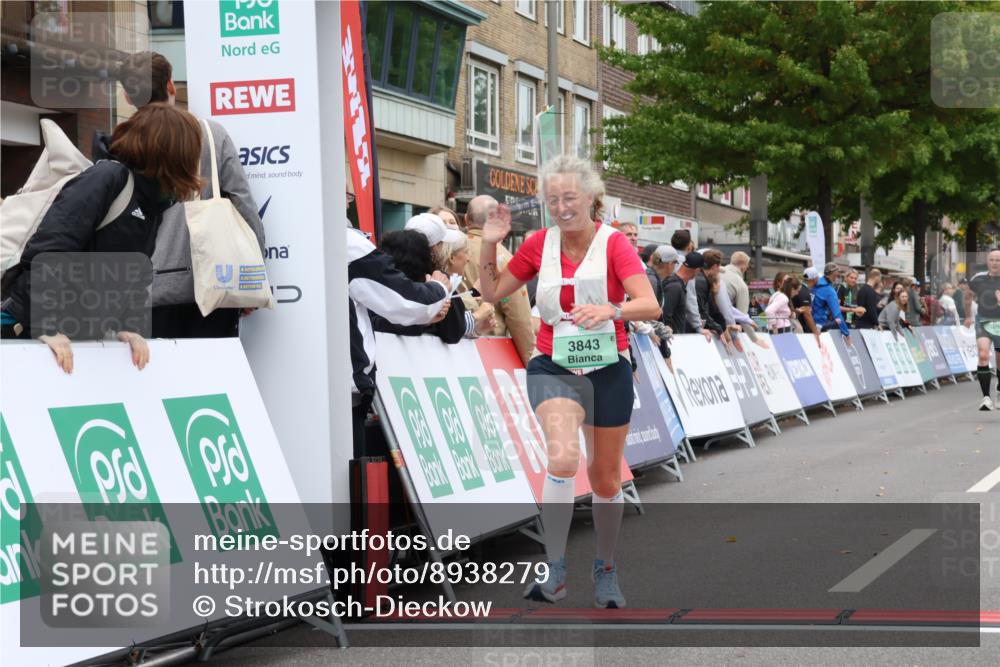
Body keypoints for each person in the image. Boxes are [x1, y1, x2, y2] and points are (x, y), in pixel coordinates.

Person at [478, 155, 660, 609]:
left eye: (569, 197)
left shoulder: (615, 244)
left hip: (607, 367)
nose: (561, 207)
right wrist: (488, 245)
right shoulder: (540, 243)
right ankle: (555, 568)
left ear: (590, 198)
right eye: (553, 199)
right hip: (552, 364)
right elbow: (492, 292)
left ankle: (605, 565)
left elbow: (650, 305)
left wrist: (611, 310)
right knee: (561, 458)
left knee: (603, 478)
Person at [1, 103, 204, 372]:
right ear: (173, 150)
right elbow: (51, 248)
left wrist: (127, 327)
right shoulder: (108, 177)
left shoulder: (154, 202)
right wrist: (46, 324)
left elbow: (134, 274)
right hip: (27, 328)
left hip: (77, 338)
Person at [111, 51, 265, 339]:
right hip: (214, 283)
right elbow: (243, 205)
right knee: (213, 381)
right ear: (171, 86)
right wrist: (251, 275)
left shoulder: (121, 143)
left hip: (144, 291)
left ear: (128, 97)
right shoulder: (209, 134)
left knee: (160, 383)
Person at [347, 227, 451, 457]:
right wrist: (438, 286)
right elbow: (405, 302)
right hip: (342, 393)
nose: (347, 203)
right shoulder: (345, 241)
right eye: (346, 196)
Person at [462, 196, 536, 366]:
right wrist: (532, 366)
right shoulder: (504, 259)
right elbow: (519, 319)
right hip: (490, 351)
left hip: (450, 347)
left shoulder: (450, 250)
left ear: (466, 219)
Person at [374, 226, 468, 343]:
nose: (438, 253)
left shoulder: (434, 279)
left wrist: (440, 296)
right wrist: (424, 317)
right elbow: (375, 322)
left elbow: (454, 333)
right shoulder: (377, 286)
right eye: (437, 246)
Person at [965, 249, 1000, 411]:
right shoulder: (978, 279)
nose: (994, 263)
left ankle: (999, 391)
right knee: (983, 355)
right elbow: (968, 295)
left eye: (998, 260)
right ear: (987, 261)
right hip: (983, 321)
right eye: (992, 260)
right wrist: (967, 316)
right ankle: (986, 398)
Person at [806, 263, 852, 342]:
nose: (838, 277)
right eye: (837, 274)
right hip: (820, 328)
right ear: (833, 274)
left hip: (807, 324)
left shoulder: (814, 284)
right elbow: (837, 314)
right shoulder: (829, 290)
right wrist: (846, 333)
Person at [662, 250, 700, 335]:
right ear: (697, 270)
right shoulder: (675, 286)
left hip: (675, 338)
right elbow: (666, 315)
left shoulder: (677, 284)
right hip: (673, 340)